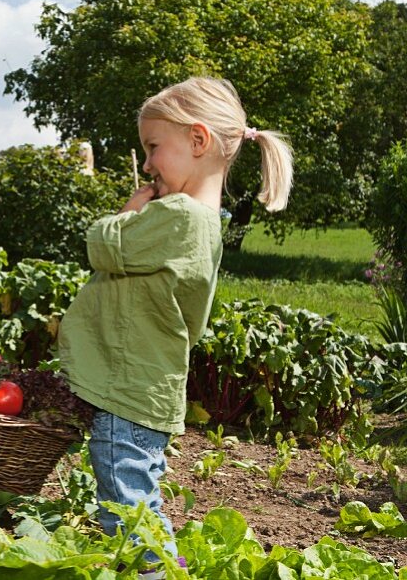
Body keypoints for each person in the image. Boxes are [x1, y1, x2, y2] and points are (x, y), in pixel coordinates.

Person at [58, 76, 293, 564]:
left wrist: (125, 213)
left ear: (198, 140)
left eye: (152, 147)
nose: (146, 164)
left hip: (129, 391)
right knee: (130, 500)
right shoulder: (196, 219)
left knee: (129, 509)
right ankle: (151, 569)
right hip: (139, 388)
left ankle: (155, 573)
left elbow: (103, 246)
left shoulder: (182, 216)